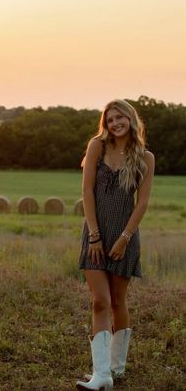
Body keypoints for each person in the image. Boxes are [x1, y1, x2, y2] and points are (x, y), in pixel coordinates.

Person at [76, 99, 155, 391]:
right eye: (110, 119)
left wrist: (125, 238)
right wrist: (95, 235)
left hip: (125, 236)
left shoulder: (146, 157)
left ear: (131, 119)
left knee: (119, 301)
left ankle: (116, 368)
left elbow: (142, 202)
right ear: (105, 124)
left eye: (120, 117)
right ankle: (101, 376)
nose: (115, 123)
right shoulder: (97, 146)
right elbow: (86, 190)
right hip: (95, 234)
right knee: (100, 301)